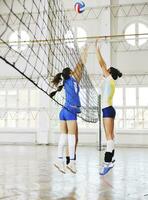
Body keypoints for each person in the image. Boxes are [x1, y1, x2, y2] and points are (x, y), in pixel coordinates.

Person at [50, 46, 88, 174]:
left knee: (63, 137)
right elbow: (81, 64)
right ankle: (72, 162)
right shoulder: (73, 80)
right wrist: (85, 50)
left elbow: (80, 67)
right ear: (71, 73)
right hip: (71, 110)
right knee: (72, 138)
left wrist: (84, 53)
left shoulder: (66, 82)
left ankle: (59, 160)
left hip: (64, 111)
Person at [95, 41, 122, 175]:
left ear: (109, 72)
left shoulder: (109, 78)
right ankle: (110, 159)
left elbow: (102, 64)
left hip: (108, 110)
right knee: (110, 136)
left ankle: (107, 163)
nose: (104, 72)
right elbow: (104, 66)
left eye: (106, 71)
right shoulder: (108, 81)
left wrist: (97, 49)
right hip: (108, 109)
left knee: (109, 137)